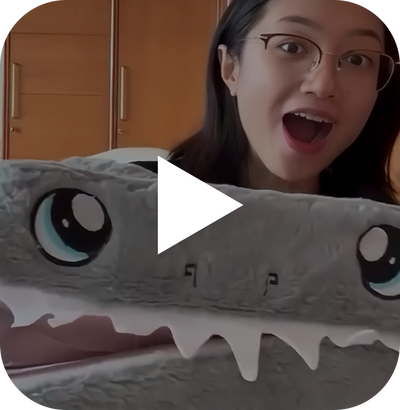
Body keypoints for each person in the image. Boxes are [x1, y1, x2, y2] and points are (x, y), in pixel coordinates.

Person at [163, 0, 400, 205]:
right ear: (230, 67)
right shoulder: (148, 205)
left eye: (357, 59)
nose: (323, 85)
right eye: (292, 47)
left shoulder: (385, 229)